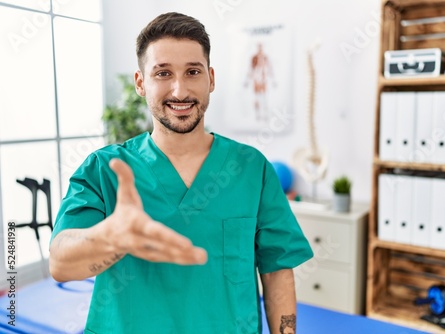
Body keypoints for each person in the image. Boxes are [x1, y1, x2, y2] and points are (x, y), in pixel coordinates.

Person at [49, 12, 313, 334]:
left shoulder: (251, 168)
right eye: (162, 73)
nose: (179, 90)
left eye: (192, 72)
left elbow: (277, 271)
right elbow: (61, 264)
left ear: (210, 79)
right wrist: (111, 238)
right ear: (140, 83)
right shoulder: (105, 170)